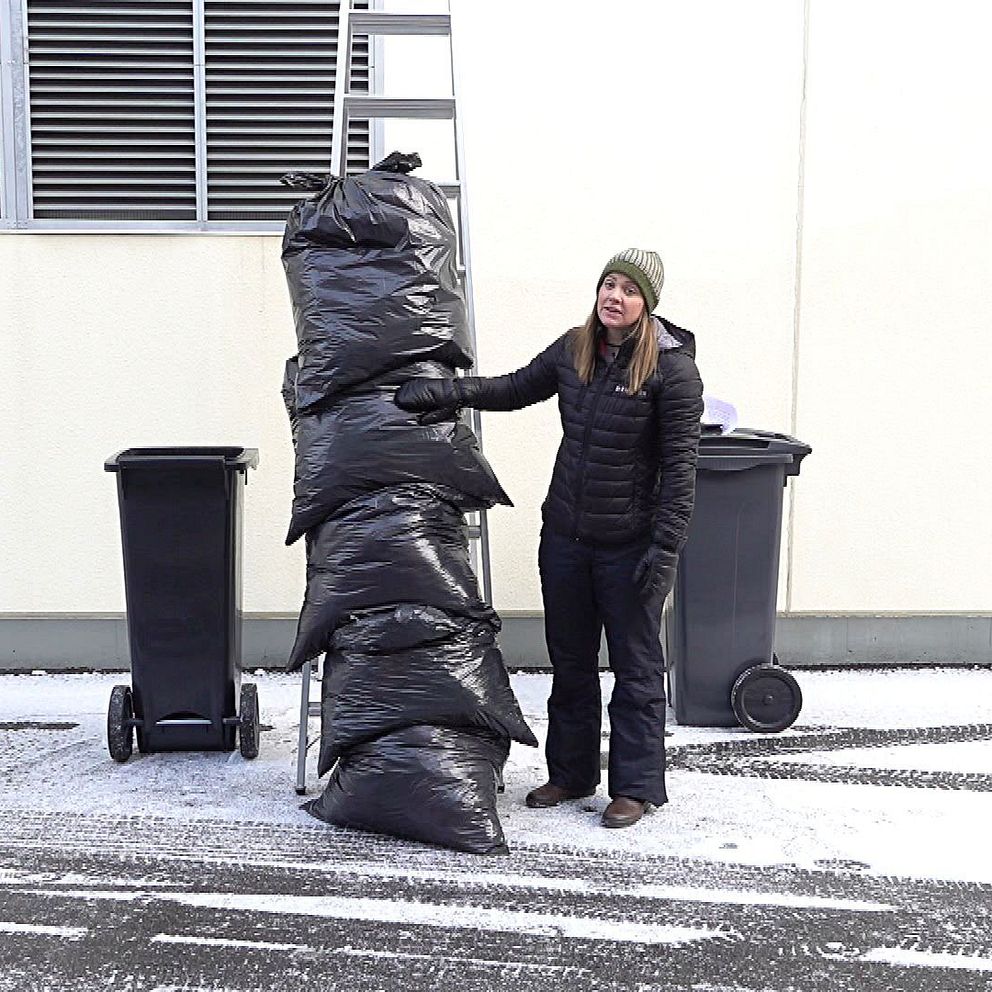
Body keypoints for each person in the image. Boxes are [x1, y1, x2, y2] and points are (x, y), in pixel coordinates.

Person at [396, 249, 703, 828]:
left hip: (630, 546)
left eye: (629, 290)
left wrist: (665, 551)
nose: (615, 296)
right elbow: (515, 388)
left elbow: (681, 470)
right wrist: (448, 394)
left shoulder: (672, 372)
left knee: (637, 668)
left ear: (648, 304)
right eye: (608, 285)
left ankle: (634, 786)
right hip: (565, 536)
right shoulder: (575, 348)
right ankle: (570, 772)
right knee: (571, 658)